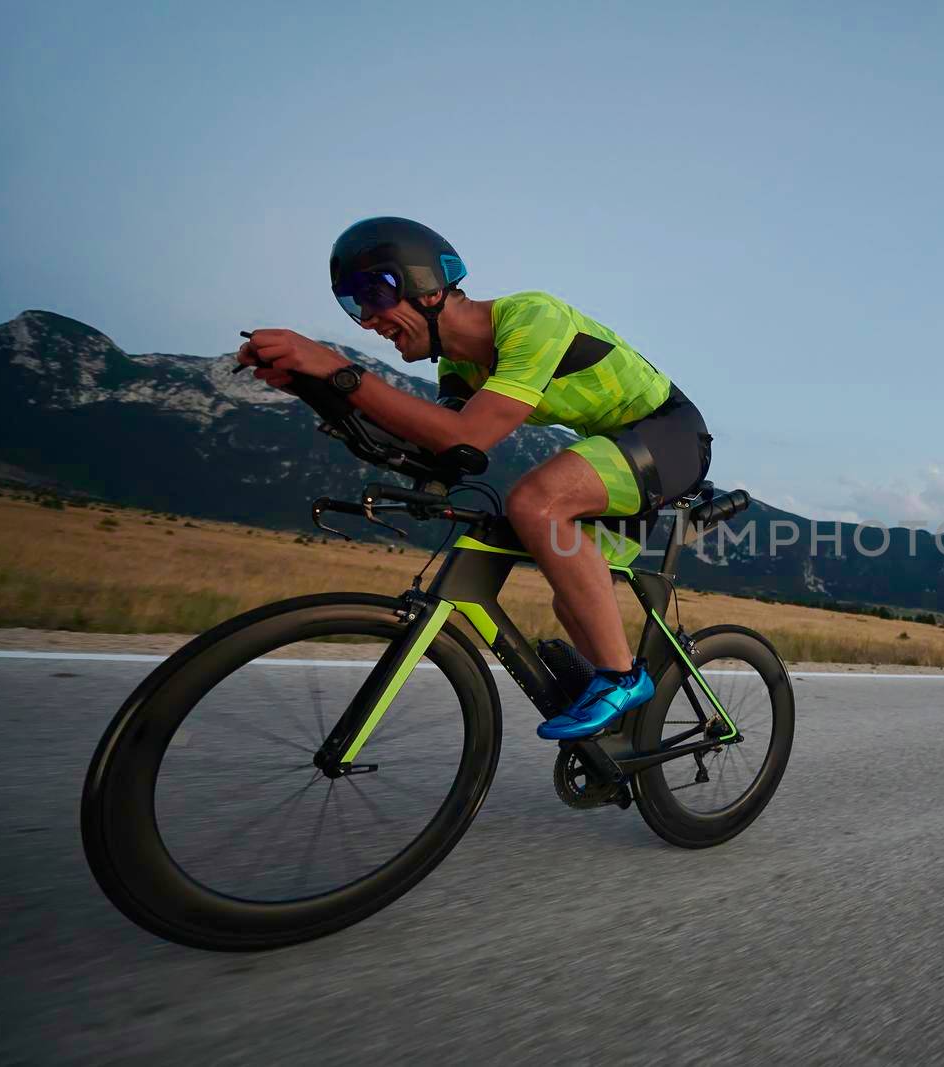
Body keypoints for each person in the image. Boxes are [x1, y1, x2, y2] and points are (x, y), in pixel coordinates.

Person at [237, 217, 711, 740]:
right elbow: (439, 450)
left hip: (671, 435)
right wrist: (315, 387)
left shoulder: (531, 318)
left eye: (373, 294)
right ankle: (622, 730)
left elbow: (467, 432)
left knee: (536, 501)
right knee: (573, 595)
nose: (367, 320)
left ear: (428, 286)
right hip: (615, 450)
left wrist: (336, 367)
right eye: (352, 305)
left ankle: (624, 679)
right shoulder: (460, 370)